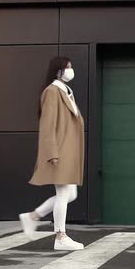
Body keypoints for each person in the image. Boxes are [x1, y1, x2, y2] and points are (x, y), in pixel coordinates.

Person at [19, 56, 86, 251]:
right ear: (58, 71)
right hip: (60, 151)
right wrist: (52, 152)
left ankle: (33, 217)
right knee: (64, 193)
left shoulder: (66, 92)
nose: (70, 70)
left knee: (70, 194)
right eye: (68, 67)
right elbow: (47, 124)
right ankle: (60, 236)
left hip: (68, 151)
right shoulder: (52, 92)